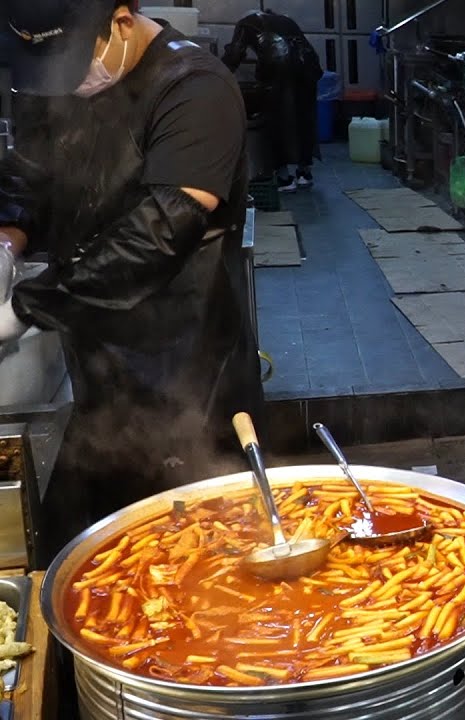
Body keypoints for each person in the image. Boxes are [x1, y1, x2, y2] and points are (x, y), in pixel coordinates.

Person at [0, 0, 262, 567]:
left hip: (186, 370)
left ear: (121, 20)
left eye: (72, 62)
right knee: (108, 552)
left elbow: (158, 234)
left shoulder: (195, 89)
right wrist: (8, 241)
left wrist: (27, 307)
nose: (63, 82)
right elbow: (32, 176)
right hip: (97, 361)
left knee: (201, 555)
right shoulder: (63, 83)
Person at [222, 9, 322, 192]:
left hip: (278, 74)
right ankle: (304, 174)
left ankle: (284, 178)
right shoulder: (285, 20)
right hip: (308, 71)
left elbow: (235, 54)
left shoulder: (246, 23)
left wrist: (219, 74)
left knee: (277, 122)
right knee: (304, 119)